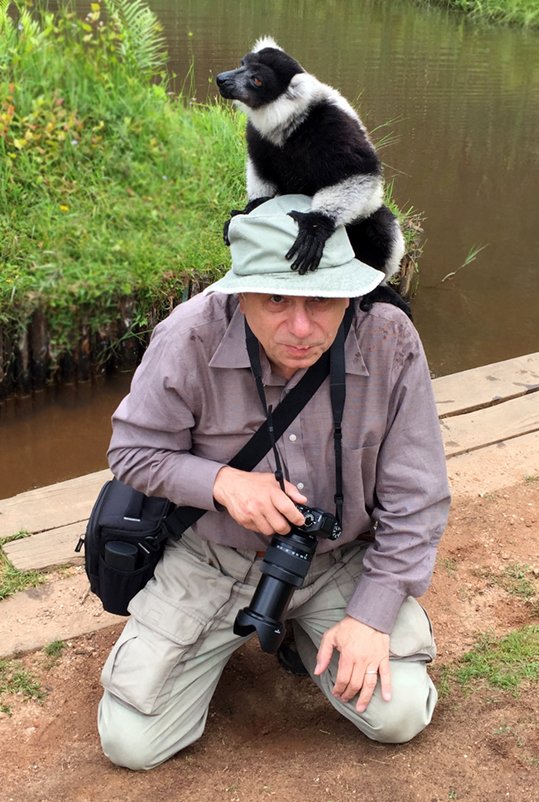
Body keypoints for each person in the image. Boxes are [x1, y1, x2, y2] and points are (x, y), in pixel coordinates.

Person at [97, 194, 450, 771]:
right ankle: (244, 637)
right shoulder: (187, 337)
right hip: (214, 562)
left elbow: (419, 497)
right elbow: (132, 452)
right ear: (239, 293)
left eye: (322, 299)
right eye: (276, 299)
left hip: (337, 560)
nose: (302, 327)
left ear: (349, 289)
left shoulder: (389, 338)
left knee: (400, 715)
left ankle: (308, 629)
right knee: (130, 744)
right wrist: (223, 484)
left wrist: (370, 615)